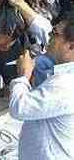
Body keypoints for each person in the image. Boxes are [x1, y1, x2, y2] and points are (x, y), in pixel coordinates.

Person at [9, 18, 74, 160]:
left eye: (54, 33)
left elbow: (19, 108)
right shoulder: (63, 77)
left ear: (71, 46)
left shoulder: (64, 83)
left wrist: (23, 76)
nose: (49, 36)